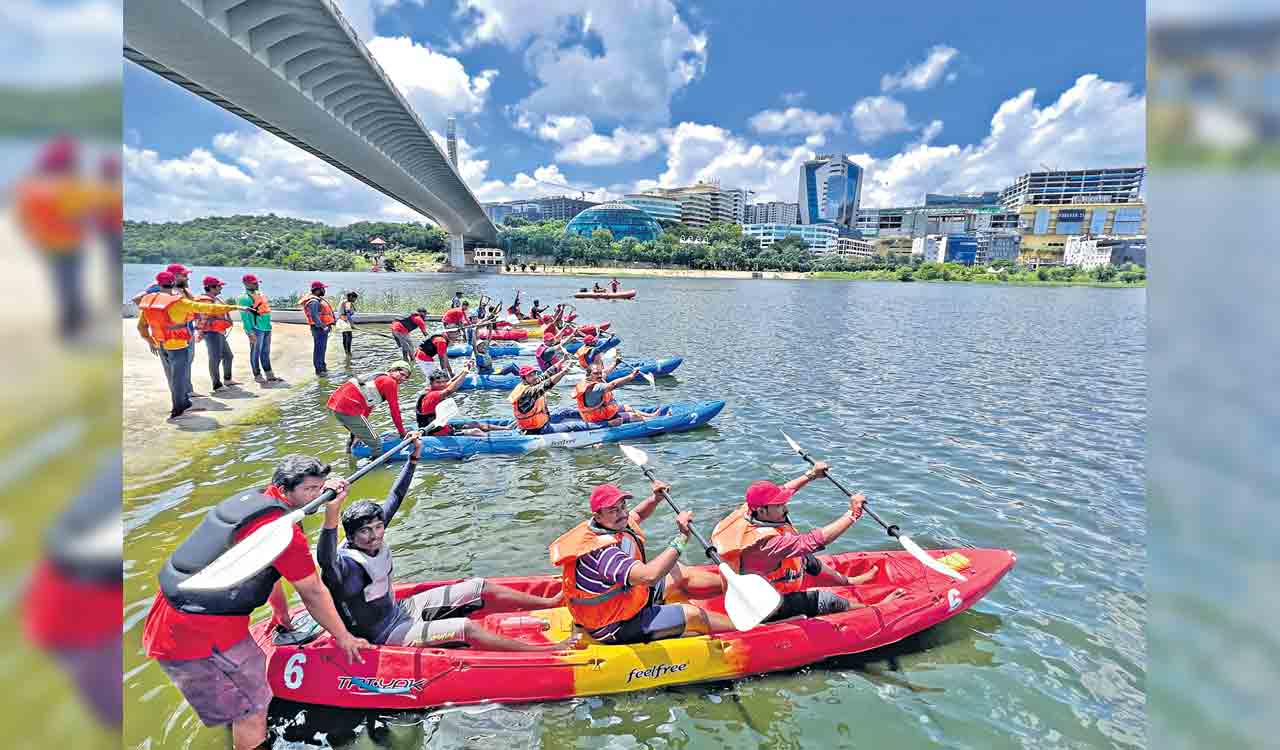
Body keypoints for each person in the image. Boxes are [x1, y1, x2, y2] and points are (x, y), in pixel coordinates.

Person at [142, 455, 371, 750]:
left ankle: (235, 725)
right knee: (251, 707)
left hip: (171, 616)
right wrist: (345, 638)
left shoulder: (257, 500)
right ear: (283, 488)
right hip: (197, 633)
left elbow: (268, 569)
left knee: (248, 681)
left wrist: (280, 613)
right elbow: (313, 592)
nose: (316, 496)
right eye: (309, 490)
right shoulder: (284, 533)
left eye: (319, 488)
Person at [320, 437, 572, 652]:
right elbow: (326, 560)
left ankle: (550, 603)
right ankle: (547, 650)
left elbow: (395, 497)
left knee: (477, 586)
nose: (375, 535)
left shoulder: (372, 533)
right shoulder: (345, 567)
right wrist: (332, 511)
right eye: (365, 532)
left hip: (402, 609)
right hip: (387, 633)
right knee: (465, 627)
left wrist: (413, 459)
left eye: (378, 527)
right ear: (351, 536)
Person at [710, 465, 907, 624]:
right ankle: (875, 609)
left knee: (807, 560)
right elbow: (814, 540)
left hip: (761, 581)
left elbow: (787, 489)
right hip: (765, 604)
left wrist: (811, 474)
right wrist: (853, 514)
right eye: (779, 505)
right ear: (761, 511)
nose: (785, 508)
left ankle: (848, 582)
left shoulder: (748, 510)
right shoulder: (766, 543)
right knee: (827, 600)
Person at [549, 483, 733, 645]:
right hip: (614, 626)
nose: (622, 514)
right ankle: (751, 629)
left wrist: (655, 498)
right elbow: (650, 576)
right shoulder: (604, 553)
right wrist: (683, 537)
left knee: (680, 573)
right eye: (613, 510)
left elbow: (636, 515)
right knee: (693, 615)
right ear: (597, 516)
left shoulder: (609, 525)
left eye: (623, 507)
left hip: (626, 600)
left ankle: (737, 590)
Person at [14, 137, 97, 343]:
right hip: (70, 242)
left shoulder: (32, 185)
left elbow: (24, 215)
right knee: (70, 284)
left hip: (48, 242)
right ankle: (72, 327)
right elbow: (83, 213)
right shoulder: (70, 185)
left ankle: (71, 323)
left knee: (61, 283)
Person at [136, 271, 243, 420]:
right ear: (173, 283)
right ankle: (178, 410)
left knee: (174, 377)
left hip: (161, 345)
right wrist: (235, 307)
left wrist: (150, 341)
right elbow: (207, 308)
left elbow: (141, 327)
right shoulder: (178, 302)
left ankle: (184, 403)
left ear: (158, 284)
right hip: (178, 346)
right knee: (179, 378)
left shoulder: (149, 302)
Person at [326, 360, 412, 457]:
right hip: (347, 408)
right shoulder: (390, 382)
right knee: (376, 443)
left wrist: (360, 433)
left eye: (406, 378)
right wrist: (402, 432)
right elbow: (395, 410)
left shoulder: (380, 377)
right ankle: (376, 468)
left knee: (357, 431)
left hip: (335, 405)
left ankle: (349, 456)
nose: (403, 378)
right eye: (402, 374)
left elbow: (368, 405)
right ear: (393, 370)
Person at [416, 367, 505, 436]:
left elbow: (449, 383)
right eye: (438, 382)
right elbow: (449, 390)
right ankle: (497, 441)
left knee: (475, 424)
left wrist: (464, 370)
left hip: (442, 426)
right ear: (431, 383)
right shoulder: (432, 395)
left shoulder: (435, 389)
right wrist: (465, 373)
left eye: (444, 382)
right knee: (475, 431)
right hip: (436, 432)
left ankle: (506, 428)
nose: (442, 384)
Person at [573, 358, 658, 428]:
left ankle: (651, 415)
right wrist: (631, 376)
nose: (599, 375)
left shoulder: (589, 380)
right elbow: (613, 384)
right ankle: (653, 420)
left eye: (600, 373)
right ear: (589, 375)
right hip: (598, 418)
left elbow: (605, 373)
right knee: (635, 416)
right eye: (596, 373)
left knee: (627, 407)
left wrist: (615, 363)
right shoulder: (595, 388)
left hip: (599, 412)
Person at [193, 276, 239, 392]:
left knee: (228, 356)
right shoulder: (205, 300)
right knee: (215, 358)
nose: (221, 288)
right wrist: (201, 332)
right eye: (219, 286)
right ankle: (216, 385)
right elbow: (203, 318)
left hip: (218, 332)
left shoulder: (215, 298)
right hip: (211, 333)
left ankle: (227, 379)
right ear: (211, 287)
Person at [509, 362, 581, 434]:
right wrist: (564, 372)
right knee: (573, 426)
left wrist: (563, 360)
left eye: (534, 374)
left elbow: (546, 374)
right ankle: (592, 428)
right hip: (538, 429)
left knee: (563, 411)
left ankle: (588, 414)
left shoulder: (529, 383)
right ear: (524, 379)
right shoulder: (528, 392)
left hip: (542, 421)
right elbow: (548, 384)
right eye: (530, 375)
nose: (534, 377)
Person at [238, 274, 279, 384]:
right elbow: (245, 317)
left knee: (265, 352)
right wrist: (249, 332)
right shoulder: (244, 298)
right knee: (255, 352)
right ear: (246, 284)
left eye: (257, 282)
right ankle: (257, 374)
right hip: (256, 328)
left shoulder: (259, 294)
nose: (257, 284)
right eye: (254, 283)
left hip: (266, 327)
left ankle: (269, 374)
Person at [299, 281, 335, 376]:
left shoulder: (317, 299)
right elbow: (314, 316)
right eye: (323, 288)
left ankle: (322, 367)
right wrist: (323, 326)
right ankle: (319, 370)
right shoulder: (314, 301)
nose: (324, 290)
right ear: (318, 290)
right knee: (319, 348)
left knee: (322, 348)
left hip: (321, 328)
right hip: (319, 328)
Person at [337, 292, 358, 357]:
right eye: (355, 298)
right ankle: (348, 353)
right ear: (351, 297)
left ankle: (346, 352)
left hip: (341, 321)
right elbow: (348, 314)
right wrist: (352, 324)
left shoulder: (344, 301)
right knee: (349, 336)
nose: (355, 300)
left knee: (345, 337)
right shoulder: (347, 303)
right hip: (344, 321)